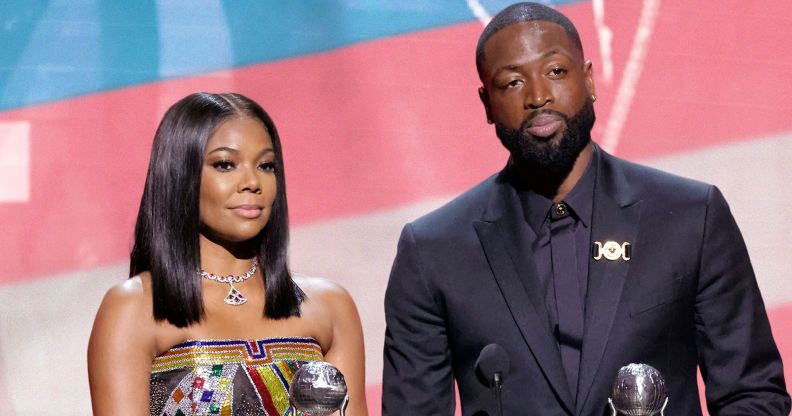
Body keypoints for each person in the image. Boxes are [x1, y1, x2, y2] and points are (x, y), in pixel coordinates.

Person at [382, 3, 789, 415]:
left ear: (589, 79)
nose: (538, 96)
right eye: (512, 82)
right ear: (487, 104)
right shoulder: (434, 252)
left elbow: (753, 395)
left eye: (556, 71)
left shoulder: (689, 217)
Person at [88, 92, 367, 415]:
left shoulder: (329, 305)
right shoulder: (134, 307)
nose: (251, 182)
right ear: (181, 175)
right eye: (225, 165)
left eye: (266, 165)